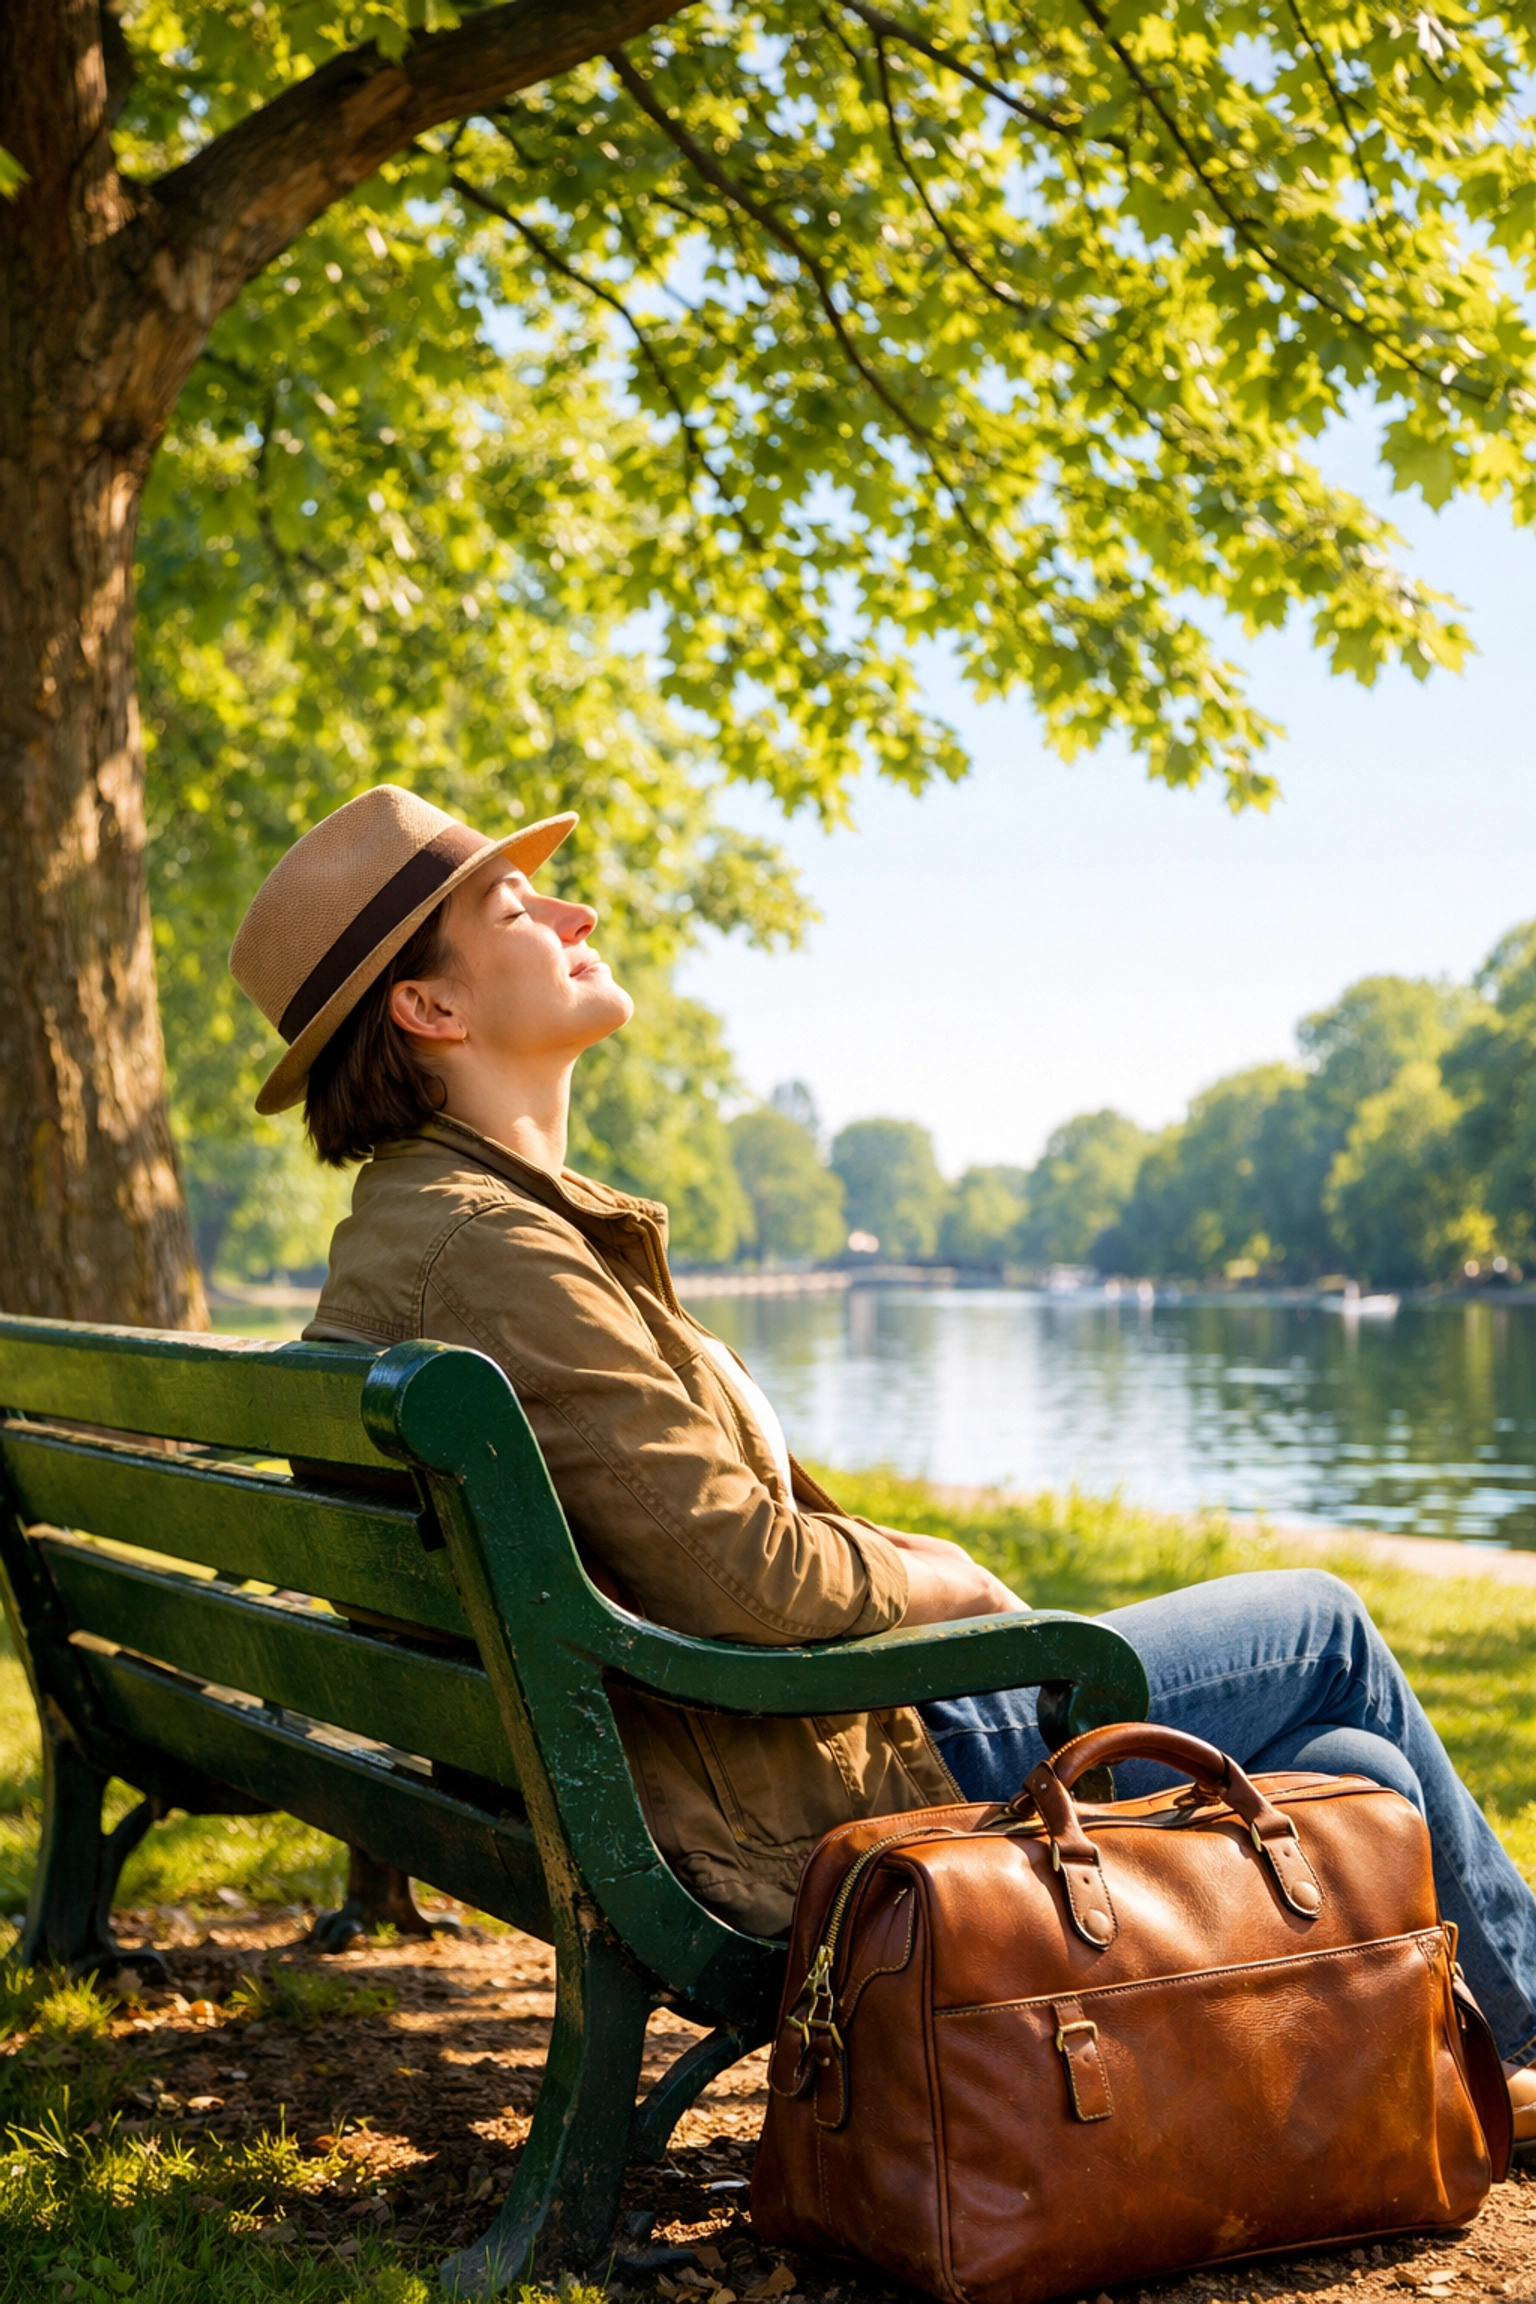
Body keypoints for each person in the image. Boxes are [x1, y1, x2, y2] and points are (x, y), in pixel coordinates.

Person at [231, 785, 1536, 2137]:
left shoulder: (431, 1231)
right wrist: (942, 1578)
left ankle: (1402, 2083)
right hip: (792, 1790)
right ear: (430, 1012)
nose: (578, 912)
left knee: (1347, 1771)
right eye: (515, 907)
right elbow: (747, 1575)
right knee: (1321, 1629)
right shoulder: (496, 1251)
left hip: (679, 1761)